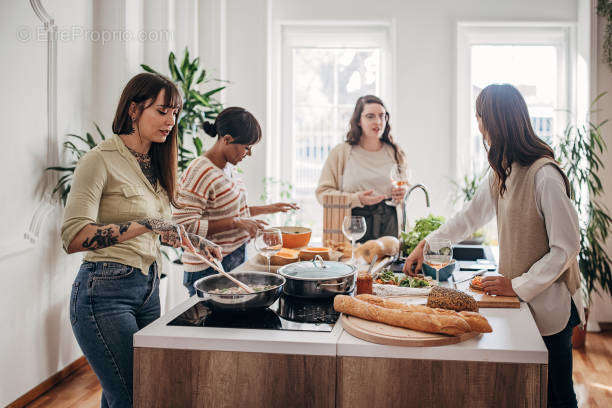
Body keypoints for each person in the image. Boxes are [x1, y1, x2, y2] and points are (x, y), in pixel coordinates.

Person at [403, 84, 582, 408]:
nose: (478, 123)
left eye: (480, 116)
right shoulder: (504, 168)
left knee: (557, 399)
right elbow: (469, 217)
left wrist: (517, 285)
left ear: (495, 121)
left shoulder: (545, 175)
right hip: (524, 304)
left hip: (551, 308)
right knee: (532, 393)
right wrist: (425, 244)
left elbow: (566, 248)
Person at [61, 73, 221, 408]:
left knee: (129, 391)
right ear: (134, 109)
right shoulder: (99, 159)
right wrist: (145, 223)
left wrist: (192, 240)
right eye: (163, 111)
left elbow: (157, 225)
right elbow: (74, 237)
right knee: (135, 396)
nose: (171, 121)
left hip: (148, 289)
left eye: (175, 113)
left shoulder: (156, 162)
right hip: (103, 293)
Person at [173, 106, 298, 296]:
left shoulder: (229, 168)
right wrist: (235, 223)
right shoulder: (199, 171)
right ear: (227, 139)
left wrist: (270, 208)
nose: (248, 154)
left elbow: (232, 212)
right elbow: (182, 226)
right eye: (247, 147)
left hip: (233, 257)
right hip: (208, 266)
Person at [316, 95, 409, 242]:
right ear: (358, 121)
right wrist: (356, 199)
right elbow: (322, 194)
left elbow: (405, 187)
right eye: (370, 116)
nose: (378, 122)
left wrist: (402, 194)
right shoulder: (341, 153)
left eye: (382, 116)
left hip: (390, 226)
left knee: (388, 264)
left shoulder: (395, 152)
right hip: (353, 228)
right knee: (354, 263)